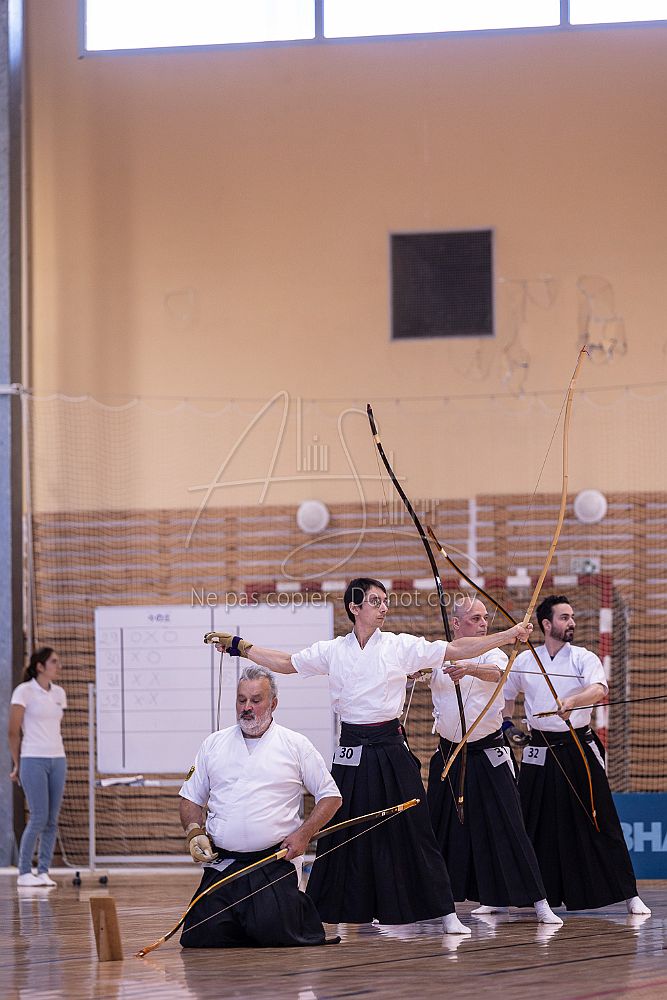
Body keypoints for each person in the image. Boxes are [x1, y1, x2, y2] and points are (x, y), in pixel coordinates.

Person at [212, 577, 533, 934]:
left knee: (416, 827)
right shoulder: (334, 650)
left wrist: (509, 635)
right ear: (355, 607)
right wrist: (242, 647)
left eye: (385, 601)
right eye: (376, 601)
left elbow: (456, 649)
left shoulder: (399, 646)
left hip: (390, 745)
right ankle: (324, 913)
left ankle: (446, 913)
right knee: (339, 829)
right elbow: (287, 662)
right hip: (351, 746)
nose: (384, 608)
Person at [503, 595, 650, 916]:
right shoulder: (526, 660)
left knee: (599, 816)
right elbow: (506, 695)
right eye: (564, 617)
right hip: (539, 747)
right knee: (527, 820)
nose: (571, 622)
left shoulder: (583, 657)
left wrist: (573, 702)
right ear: (546, 624)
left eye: (571, 617)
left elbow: (599, 689)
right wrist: (507, 725)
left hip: (577, 745)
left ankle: (629, 893)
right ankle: (512, 895)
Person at [178, 664, 343, 947]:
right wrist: (194, 832)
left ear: (273, 703)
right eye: (242, 700)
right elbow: (190, 799)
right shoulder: (214, 744)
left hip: (273, 862)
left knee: (273, 930)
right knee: (201, 935)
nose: (247, 708)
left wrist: (303, 835)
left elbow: (331, 796)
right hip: (225, 863)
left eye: (256, 700)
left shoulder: (295, 744)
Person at [427, 596, 561, 924]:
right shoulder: (438, 653)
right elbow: (413, 669)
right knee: (433, 831)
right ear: (455, 624)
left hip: (489, 754)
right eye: (475, 618)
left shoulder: (495, 653)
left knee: (510, 826)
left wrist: (468, 667)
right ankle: (425, 902)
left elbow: (496, 673)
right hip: (449, 755)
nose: (484, 623)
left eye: (485, 617)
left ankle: (540, 903)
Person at [8, 647, 68, 888]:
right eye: (53, 661)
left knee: (52, 820)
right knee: (39, 816)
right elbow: (13, 732)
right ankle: (24, 871)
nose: (58, 665)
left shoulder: (60, 693)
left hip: (58, 759)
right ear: (40, 666)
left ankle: (43, 870)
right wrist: (18, 763)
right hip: (33, 758)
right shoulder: (24, 691)